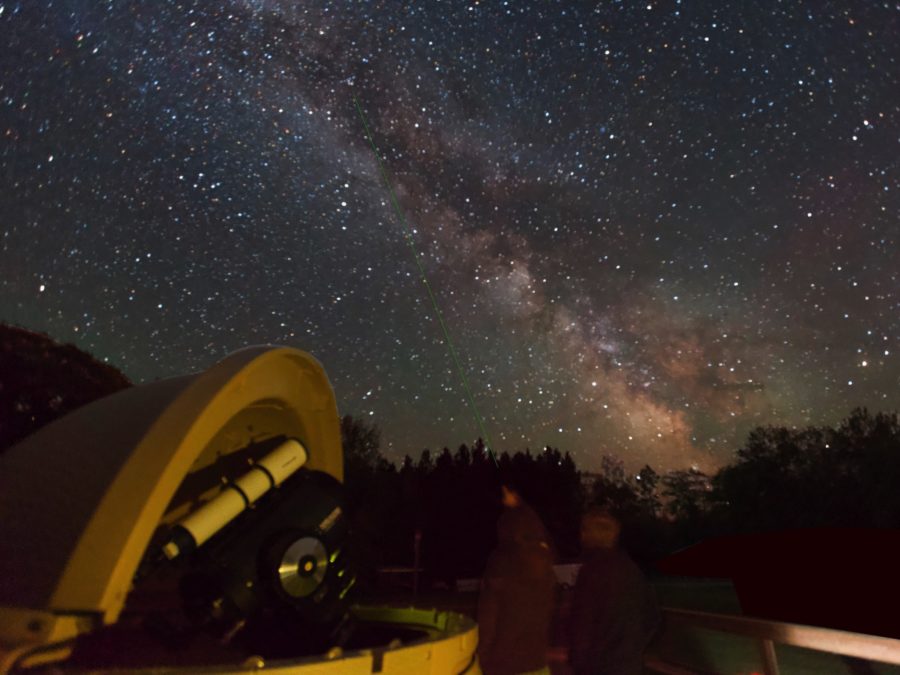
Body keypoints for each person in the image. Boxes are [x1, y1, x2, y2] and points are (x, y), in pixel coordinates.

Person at [568, 509, 660, 675]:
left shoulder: (591, 572)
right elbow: (652, 616)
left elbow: (583, 625)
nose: (580, 535)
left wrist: (579, 663)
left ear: (591, 535)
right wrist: (633, 649)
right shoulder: (631, 569)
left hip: (598, 667)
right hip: (628, 665)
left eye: (583, 530)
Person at [477, 484, 556, 675]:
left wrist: (483, 659)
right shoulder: (544, 562)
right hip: (538, 663)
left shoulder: (501, 563)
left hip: (506, 665)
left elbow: (489, 618)